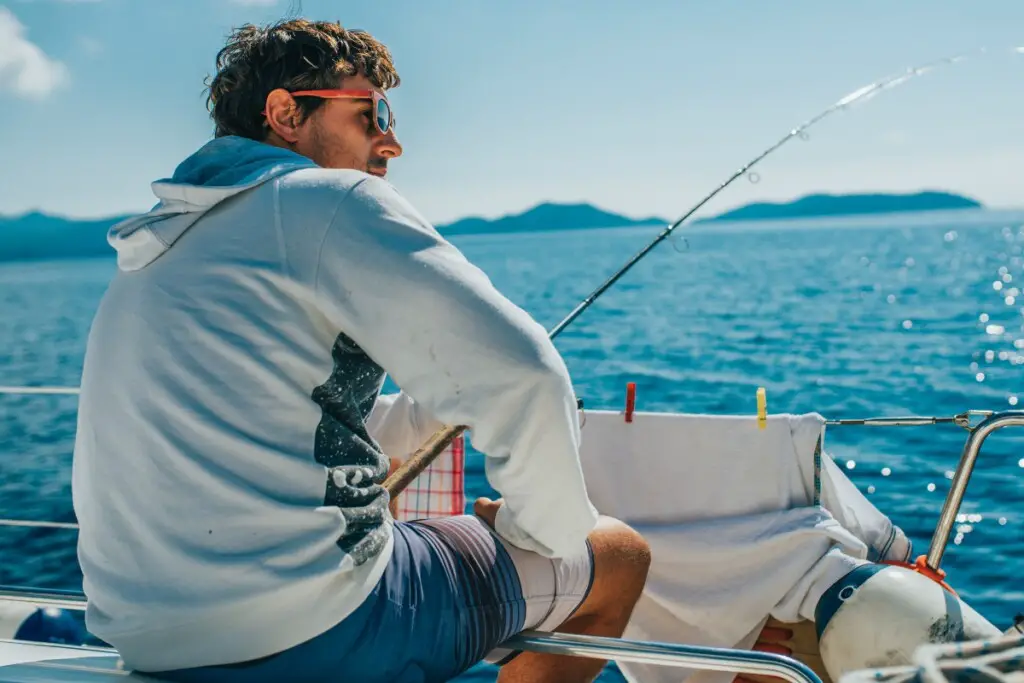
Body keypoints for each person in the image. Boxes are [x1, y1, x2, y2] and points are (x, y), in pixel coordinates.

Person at [71, 17, 651, 683]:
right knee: (618, 553)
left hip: (151, 640)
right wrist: (537, 533)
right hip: (314, 629)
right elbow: (526, 373)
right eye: (371, 113)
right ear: (286, 113)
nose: (392, 142)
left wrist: (423, 416)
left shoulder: (156, 248)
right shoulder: (322, 198)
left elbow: (266, 414)